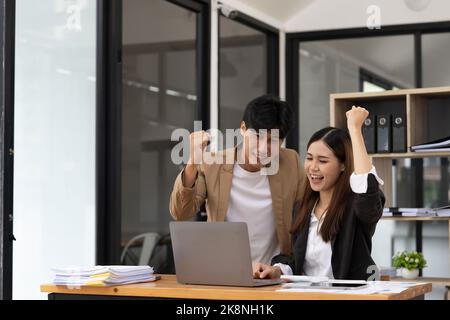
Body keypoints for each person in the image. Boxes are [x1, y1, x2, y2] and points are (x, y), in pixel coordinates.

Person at [169, 95, 305, 265]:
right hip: (223, 270)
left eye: (273, 140)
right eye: (257, 136)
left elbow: (305, 216)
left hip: (273, 274)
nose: (263, 149)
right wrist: (192, 163)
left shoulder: (291, 162)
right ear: (242, 128)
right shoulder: (212, 164)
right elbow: (181, 213)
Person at [253, 106, 385, 280]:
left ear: (343, 165)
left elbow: (367, 189)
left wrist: (355, 130)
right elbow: (298, 261)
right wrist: (277, 270)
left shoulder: (356, 206)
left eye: (322, 161)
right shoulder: (302, 207)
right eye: (309, 158)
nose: (313, 167)